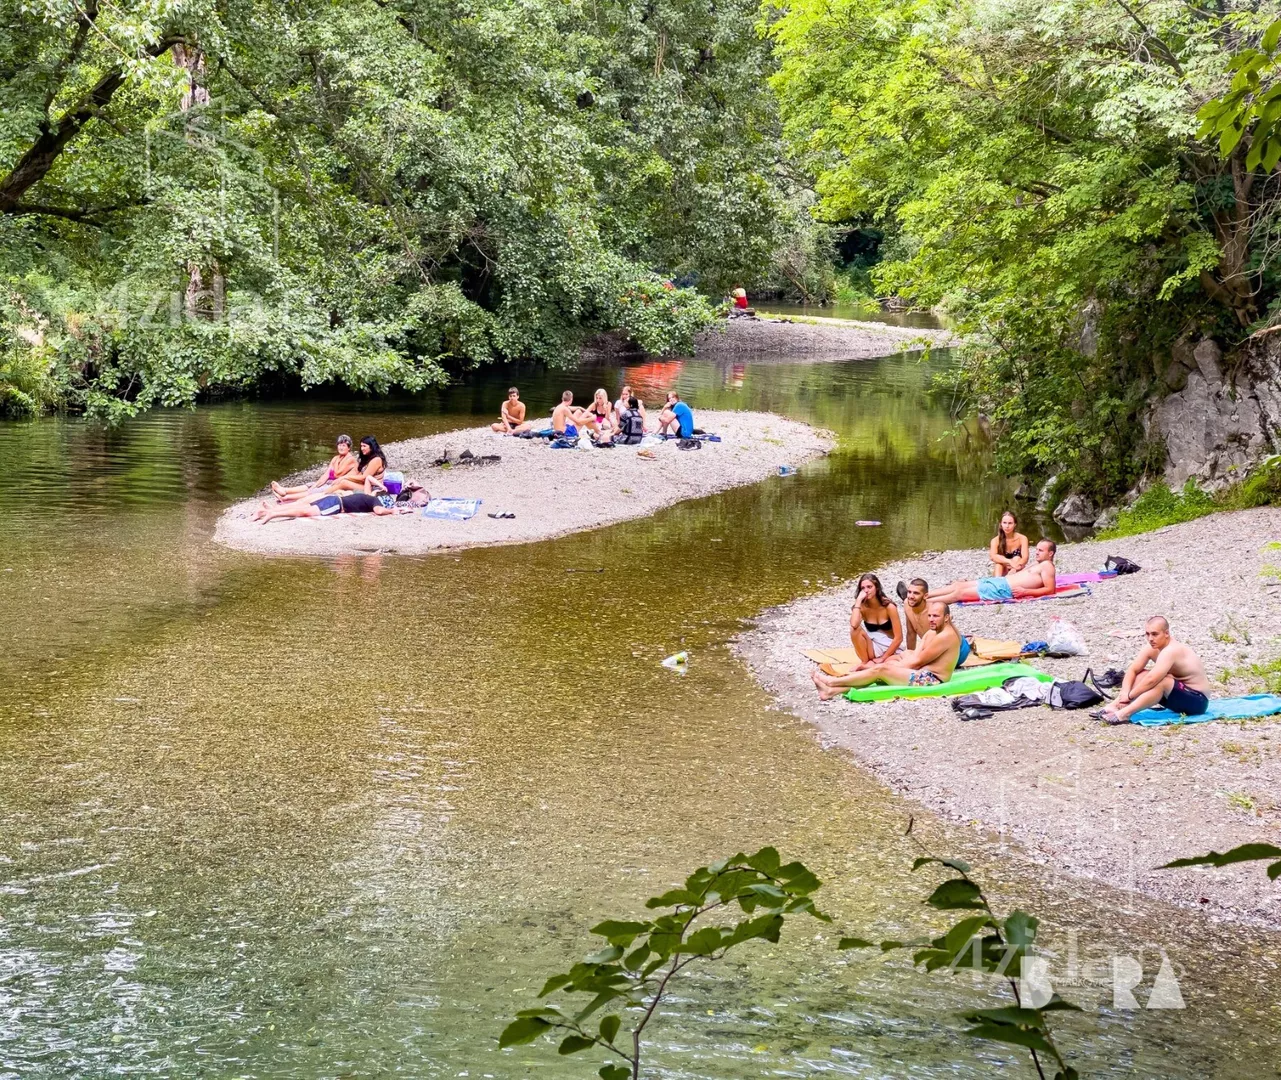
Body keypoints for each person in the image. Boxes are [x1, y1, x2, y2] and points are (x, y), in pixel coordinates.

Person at [811, 601, 961, 700]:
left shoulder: (946, 636)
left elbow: (917, 662)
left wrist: (887, 668)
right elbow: (915, 656)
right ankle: (830, 692)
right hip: (922, 673)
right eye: (929, 616)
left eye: (936, 616)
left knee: (880, 671)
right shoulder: (932, 633)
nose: (931, 619)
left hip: (932, 680)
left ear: (946, 617)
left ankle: (831, 682)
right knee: (882, 670)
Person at [1097, 617, 1211, 724]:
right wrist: (1124, 693)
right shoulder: (1152, 647)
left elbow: (1153, 680)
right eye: (1148, 634)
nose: (1150, 638)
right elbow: (1133, 670)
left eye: (1155, 634)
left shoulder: (1171, 650)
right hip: (1177, 697)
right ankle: (1113, 706)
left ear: (1166, 633)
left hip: (1198, 702)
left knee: (1162, 680)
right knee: (1142, 674)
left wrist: (1130, 696)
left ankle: (1124, 714)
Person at [927, 539, 1057, 604]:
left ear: (1050, 553)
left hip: (1004, 589)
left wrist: (1026, 592)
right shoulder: (1039, 564)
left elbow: (1050, 590)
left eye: (1041, 550)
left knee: (960, 593)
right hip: (1000, 581)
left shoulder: (1048, 566)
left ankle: (925, 603)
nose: (1037, 552)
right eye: (1037, 549)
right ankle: (924, 595)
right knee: (958, 585)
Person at [253, 482, 429, 523]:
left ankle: (268, 511)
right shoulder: (375, 500)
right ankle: (272, 513)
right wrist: (393, 511)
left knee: (304, 507)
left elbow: (370, 484)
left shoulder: (369, 495)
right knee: (304, 511)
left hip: (334, 499)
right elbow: (379, 511)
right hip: (336, 504)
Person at [271, 435, 358, 501]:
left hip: (337, 485)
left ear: (349, 448)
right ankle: (284, 490)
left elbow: (337, 473)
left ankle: (286, 497)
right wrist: (316, 484)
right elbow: (326, 475)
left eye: (343, 445)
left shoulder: (350, 459)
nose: (340, 447)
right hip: (329, 482)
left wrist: (334, 463)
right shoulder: (335, 458)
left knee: (314, 491)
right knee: (310, 485)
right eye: (339, 445)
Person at [849, 573, 903, 668]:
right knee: (854, 630)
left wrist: (883, 658)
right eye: (863, 588)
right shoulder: (862, 607)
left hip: (889, 647)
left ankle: (869, 664)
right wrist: (858, 601)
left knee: (893, 663)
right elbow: (854, 624)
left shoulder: (889, 607)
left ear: (876, 587)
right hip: (873, 646)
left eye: (869, 587)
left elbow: (898, 638)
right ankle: (865, 662)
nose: (866, 591)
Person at [988, 510, 1029, 577]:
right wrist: (1009, 561)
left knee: (1017, 558)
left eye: (1010, 523)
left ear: (1015, 524)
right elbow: (993, 556)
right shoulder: (995, 540)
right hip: (1002, 569)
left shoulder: (1022, 538)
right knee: (999, 564)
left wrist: (1015, 566)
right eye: (1004, 523)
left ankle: (1010, 580)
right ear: (1001, 524)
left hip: (1017, 568)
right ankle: (997, 583)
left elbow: (1025, 558)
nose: (1007, 526)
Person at [901, 578, 930, 648]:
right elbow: (911, 633)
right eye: (909, 592)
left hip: (951, 651)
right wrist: (910, 653)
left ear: (925, 596)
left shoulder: (932, 610)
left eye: (916, 593)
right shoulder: (907, 604)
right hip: (929, 648)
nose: (911, 596)